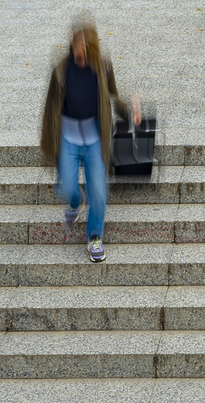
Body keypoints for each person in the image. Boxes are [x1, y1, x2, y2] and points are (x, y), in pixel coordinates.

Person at [39, 17, 140, 263]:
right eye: (75, 47)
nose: (78, 53)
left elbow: (114, 98)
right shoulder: (61, 71)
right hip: (68, 138)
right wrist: (46, 139)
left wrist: (131, 113)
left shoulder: (103, 68)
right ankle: (76, 201)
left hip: (94, 137)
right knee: (67, 188)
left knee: (98, 190)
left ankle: (94, 237)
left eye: (83, 48)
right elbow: (50, 107)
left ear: (92, 48)